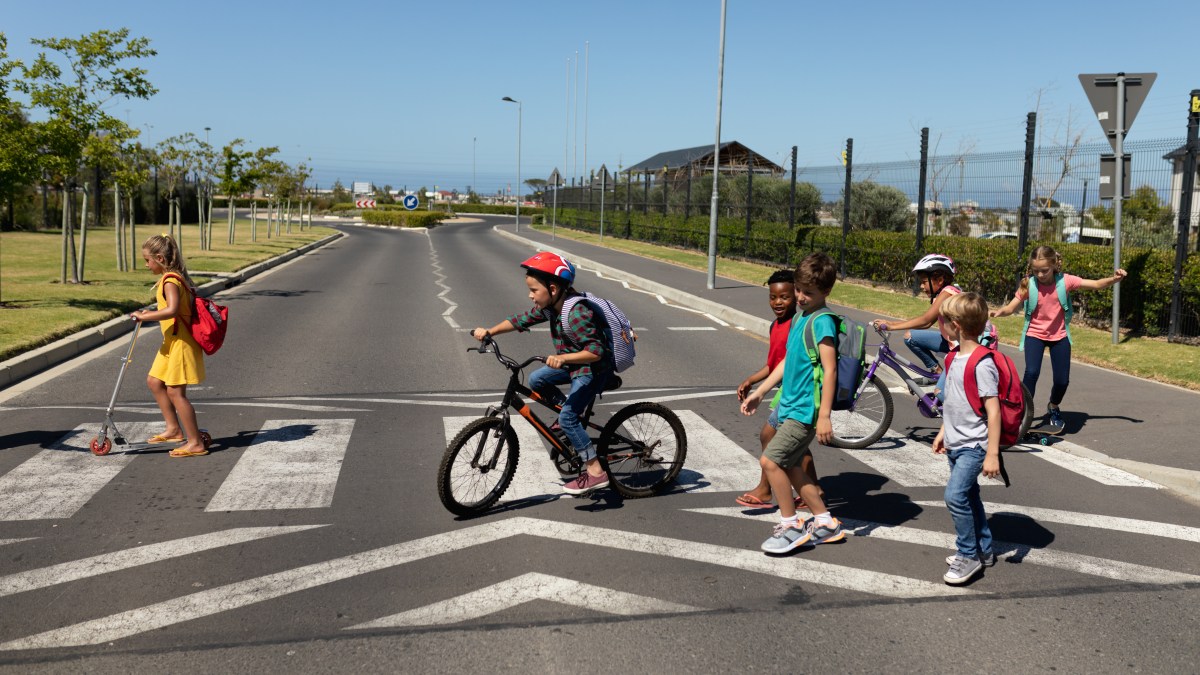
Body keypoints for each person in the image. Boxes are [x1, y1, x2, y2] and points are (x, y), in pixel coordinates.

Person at [472, 252, 612, 495]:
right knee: (537, 379)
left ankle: (595, 472)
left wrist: (563, 358)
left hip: (593, 369)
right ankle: (570, 414)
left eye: (534, 290)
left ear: (554, 289)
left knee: (568, 419)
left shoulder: (576, 313)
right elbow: (520, 320)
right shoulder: (551, 309)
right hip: (575, 366)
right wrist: (489, 332)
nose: (530, 295)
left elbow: (596, 351)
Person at [741, 253, 844, 553]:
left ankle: (791, 526)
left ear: (826, 292)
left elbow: (830, 370)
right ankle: (825, 522)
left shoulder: (823, 322)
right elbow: (788, 360)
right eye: (798, 289)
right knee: (792, 466)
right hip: (788, 405)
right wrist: (761, 391)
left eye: (808, 293)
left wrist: (824, 415)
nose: (800, 297)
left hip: (804, 411)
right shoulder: (801, 316)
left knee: (770, 461)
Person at [990, 245, 1126, 433]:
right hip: (1034, 335)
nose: (1040, 274)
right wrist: (999, 312)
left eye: (1044, 270)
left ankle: (1053, 407)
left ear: (1054, 265)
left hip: (1059, 336)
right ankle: (1022, 411)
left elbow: (1095, 284)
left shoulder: (1065, 281)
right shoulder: (1029, 284)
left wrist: (1115, 279)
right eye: (1036, 270)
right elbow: (1011, 307)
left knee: (1062, 381)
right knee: (1031, 372)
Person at [734, 269, 819, 509]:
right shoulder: (776, 325)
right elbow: (774, 364)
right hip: (786, 390)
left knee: (772, 437)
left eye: (784, 297)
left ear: (797, 295)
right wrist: (752, 380)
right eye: (773, 297)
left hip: (797, 391)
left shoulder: (797, 324)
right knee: (792, 444)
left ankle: (765, 490)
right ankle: (815, 489)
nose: (778, 302)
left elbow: (793, 363)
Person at [933, 291, 1002, 585]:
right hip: (956, 442)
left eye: (944, 320)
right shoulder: (952, 359)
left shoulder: (981, 363)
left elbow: (994, 411)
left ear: (956, 325)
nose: (941, 324)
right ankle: (983, 549)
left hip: (975, 445)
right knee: (970, 496)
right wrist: (942, 432)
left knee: (955, 496)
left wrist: (992, 454)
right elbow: (953, 402)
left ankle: (969, 555)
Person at [130, 234, 208, 458]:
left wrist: (145, 316)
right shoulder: (168, 277)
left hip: (182, 343)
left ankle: (195, 443)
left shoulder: (171, 280)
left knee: (175, 392)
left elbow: (172, 309)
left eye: (148, 260)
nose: (146, 265)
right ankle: (174, 429)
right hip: (171, 342)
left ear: (160, 258)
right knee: (155, 381)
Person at [869, 254, 982, 398]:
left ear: (940, 280)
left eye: (924, 282)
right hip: (951, 342)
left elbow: (926, 321)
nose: (922, 287)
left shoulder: (949, 293)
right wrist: (891, 323)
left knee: (941, 395)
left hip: (963, 348)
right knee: (910, 337)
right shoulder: (943, 294)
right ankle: (938, 373)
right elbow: (927, 323)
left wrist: (891, 326)